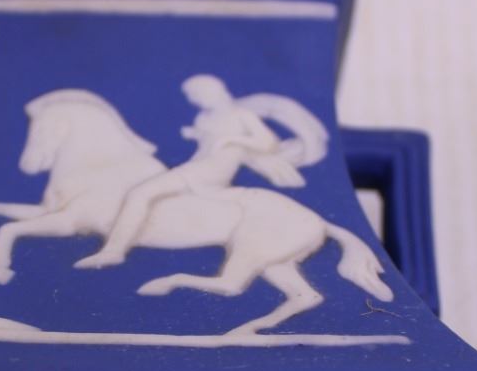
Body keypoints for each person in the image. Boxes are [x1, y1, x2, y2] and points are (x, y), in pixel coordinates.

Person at [75, 74, 328, 268]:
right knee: (149, 193)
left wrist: (232, 140)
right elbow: (206, 146)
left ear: (213, 90)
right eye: (192, 97)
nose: (195, 100)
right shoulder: (204, 117)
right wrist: (197, 135)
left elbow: (267, 142)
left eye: (197, 94)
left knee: (139, 194)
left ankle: (115, 251)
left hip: (212, 172)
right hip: (196, 166)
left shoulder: (240, 114)